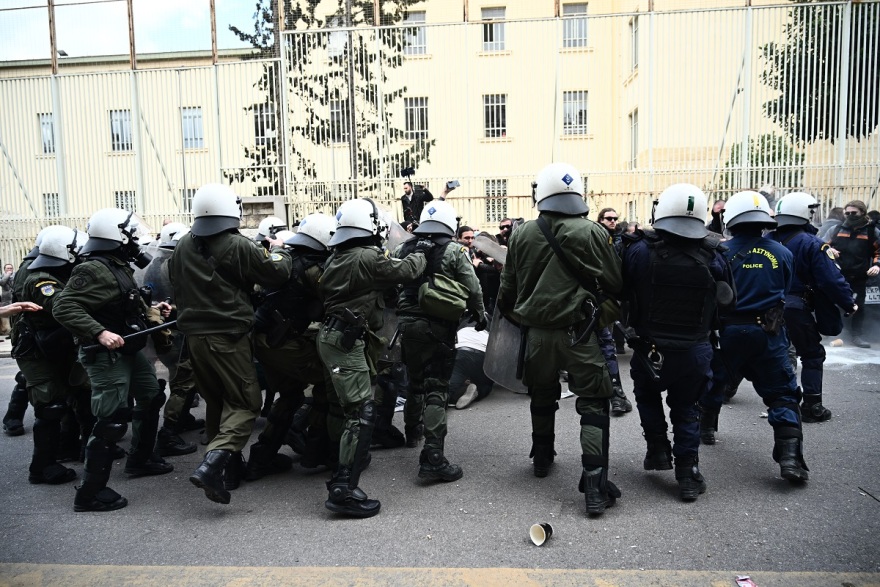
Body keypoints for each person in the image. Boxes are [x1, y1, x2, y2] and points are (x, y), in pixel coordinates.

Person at [497, 162, 623, 516]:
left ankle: (541, 457)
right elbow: (615, 281)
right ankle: (595, 489)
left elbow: (508, 289)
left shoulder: (521, 234)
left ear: (542, 194)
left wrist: (517, 315)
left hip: (537, 335)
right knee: (594, 404)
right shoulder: (593, 232)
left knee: (542, 395)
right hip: (580, 334)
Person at [169, 183, 292, 505]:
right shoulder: (237, 244)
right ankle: (212, 466)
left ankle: (230, 472)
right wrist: (280, 250)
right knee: (245, 404)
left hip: (194, 339)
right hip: (228, 337)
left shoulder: (183, 244)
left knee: (217, 403)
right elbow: (276, 272)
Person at [53, 208, 175, 512]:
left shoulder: (117, 265)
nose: (135, 240)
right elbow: (63, 307)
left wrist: (155, 308)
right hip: (107, 355)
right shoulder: (93, 268)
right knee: (111, 421)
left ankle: (140, 459)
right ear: (116, 236)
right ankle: (89, 493)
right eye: (131, 234)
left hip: (128, 350)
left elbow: (123, 303)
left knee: (150, 396)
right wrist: (99, 333)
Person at [622, 184, 735, 501]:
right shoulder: (714, 255)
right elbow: (729, 302)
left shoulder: (639, 250)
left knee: (646, 394)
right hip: (694, 351)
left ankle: (658, 449)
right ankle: (688, 473)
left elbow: (622, 289)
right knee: (687, 409)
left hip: (650, 348)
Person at [317, 198, 427, 518]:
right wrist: (420, 250)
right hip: (344, 341)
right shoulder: (366, 256)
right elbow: (408, 270)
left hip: (337, 337)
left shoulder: (340, 255)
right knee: (361, 412)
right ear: (371, 225)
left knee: (350, 407)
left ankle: (345, 462)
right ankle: (343, 489)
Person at [711, 190, 809, 483]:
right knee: (782, 394)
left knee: (712, 383)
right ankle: (790, 458)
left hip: (728, 332)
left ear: (731, 219)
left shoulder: (720, 252)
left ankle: (705, 429)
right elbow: (785, 286)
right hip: (769, 333)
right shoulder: (782, 252)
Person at [395, 200, 486, 482]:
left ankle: (412, 432)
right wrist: (480, 313)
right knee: (437, 387)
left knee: (414, 380)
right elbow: (472, 286)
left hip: (407, 327)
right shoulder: (455, 251)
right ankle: (433, 457)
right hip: (438, 327)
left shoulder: (405, 248)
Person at [248, 213, 338, 481]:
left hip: (264, 340)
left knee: (290, 395)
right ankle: (317, 449)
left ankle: (261, 458)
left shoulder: (282, 259)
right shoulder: (312, 268)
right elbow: (333, 298)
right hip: (283, 343)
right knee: (328, 380)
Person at [772, 192, 857, 422]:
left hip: (764, 308)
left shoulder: (767, 241)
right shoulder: (812, 244)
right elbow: (831, 279)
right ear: (805, 214)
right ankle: (812, 406)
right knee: (811, 354)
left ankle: (718, 399)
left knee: (761, 353)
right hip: (795, 308)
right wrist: (849, 303)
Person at [12, 226, 86, 485]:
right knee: (49, 406)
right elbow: (62, 307)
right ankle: (41, 467)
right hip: (35, 349)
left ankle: (65, 448)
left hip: (52, 345)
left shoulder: (56, 273)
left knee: (67, 397)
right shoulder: (41, 280)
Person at [827, 200, 880, 348]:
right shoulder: (837, 229)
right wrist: (829, 251)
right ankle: (832, 333)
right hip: (838, 275)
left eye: (854, 213)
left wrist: (877, 265)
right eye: (847, 213)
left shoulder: (871, 231)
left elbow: (878, 251)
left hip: (860, 276)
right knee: (834, 304)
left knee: (858, 306)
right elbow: (822, 245)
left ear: (863, 212)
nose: (850, 216)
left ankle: (856, 335)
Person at [447, 323, 494, 410]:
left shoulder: (461, 326)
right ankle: (478, 390)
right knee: (487, 384)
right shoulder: (492, 329)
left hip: (461, 352)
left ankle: (459, 392)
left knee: (447, 390)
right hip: (482, 356)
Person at [0, 262, 14, 336]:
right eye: (8, 268)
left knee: (14, 316)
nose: (9, 269)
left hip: (13, 297)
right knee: (7, 315)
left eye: (11, 268)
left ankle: (14, 332)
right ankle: (9, 332)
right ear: (4, 269)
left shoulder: (15, 276)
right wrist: (8, 275)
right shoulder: (2, 276)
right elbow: (2, 283)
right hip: (6, 298)